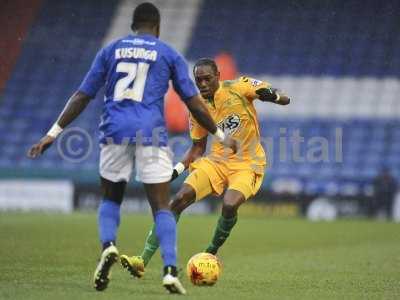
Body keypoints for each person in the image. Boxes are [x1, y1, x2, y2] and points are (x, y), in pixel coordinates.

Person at [27, 3, 236, 295]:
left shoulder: (110, 50)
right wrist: (220, 135)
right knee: (162, 207)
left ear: (133, 27)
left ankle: (109, 246)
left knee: (111, 199)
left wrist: (53, 133)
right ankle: (169, 271)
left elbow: (82, 95)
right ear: (158, 27)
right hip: (150, 133)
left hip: (114, 131)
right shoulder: (167, 53)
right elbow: (193, 101)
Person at [119, 58, 290, 278]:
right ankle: (141, 260)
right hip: (216, 162)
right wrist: (174, 171)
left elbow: (285, 98)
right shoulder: (196, 107)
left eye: (207, 79)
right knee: (178, 200)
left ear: (218, 76)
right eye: (198, 80)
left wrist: (274, 97)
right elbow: (197, 149)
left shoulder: (241, 87)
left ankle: (210, 252)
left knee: (229, 205)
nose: (202, 84)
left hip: (248, 164)